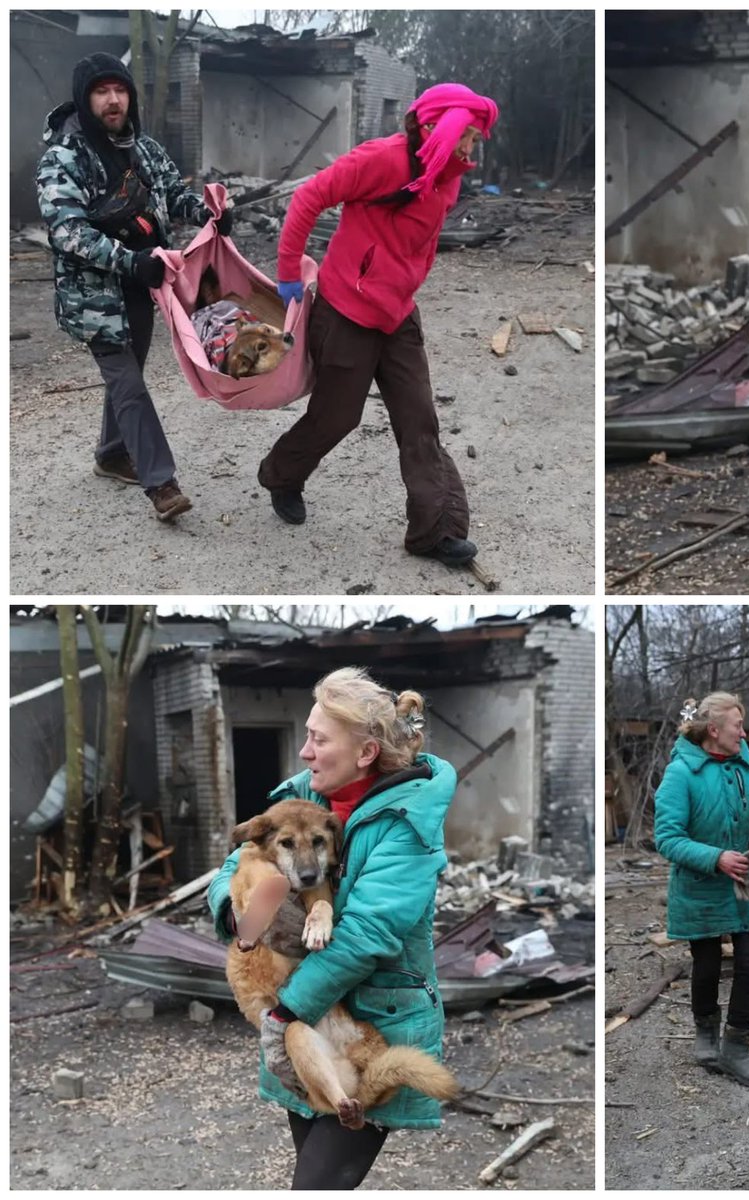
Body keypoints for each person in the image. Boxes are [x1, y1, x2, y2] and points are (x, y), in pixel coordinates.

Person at [208, 668, 456, 1189]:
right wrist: (234, 913)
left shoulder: (408, 824)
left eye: (319, 740)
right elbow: (235, 865)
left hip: (369, 1025)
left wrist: (286, 1012)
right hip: (300, 1025)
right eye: (306, 735)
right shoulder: (304, 796)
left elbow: (368, 935)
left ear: (365, 752)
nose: (304, 752)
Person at [258, 83, 499, 568]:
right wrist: (287, 273)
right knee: (337, 416)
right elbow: (309, 197)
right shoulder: (381, 159)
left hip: (398, 313)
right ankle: (282, 476)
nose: (471, 149)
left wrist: (410, 283)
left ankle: (436, 531)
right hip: (346, 310)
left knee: (419, 420)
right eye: (467, 136)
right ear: (435, 127)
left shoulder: (448, 177)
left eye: (476, 139)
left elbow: (424, 241)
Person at [36, 53, 232, 522]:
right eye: (101, 91)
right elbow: (68, 232)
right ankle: (161, 482)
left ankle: (110, 453)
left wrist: (207, 214)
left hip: (144, 287)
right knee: (127, 383)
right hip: (93, 297)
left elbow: (173, 194)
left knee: (129, 378)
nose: (113, 100)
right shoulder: (62, 159)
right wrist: (131, 261)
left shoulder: (144, 149)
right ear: (84, 99)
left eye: (120, 90)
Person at [653, 692, 749, 1087]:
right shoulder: (680, 774)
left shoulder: (744, 766)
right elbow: (667, 838)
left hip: (746, 886)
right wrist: (716, 858)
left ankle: (736, 1048)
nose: (743, 733)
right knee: (706, 965)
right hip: (701, 889)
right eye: (737, 726)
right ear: (713, 730)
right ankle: (705, 1031)